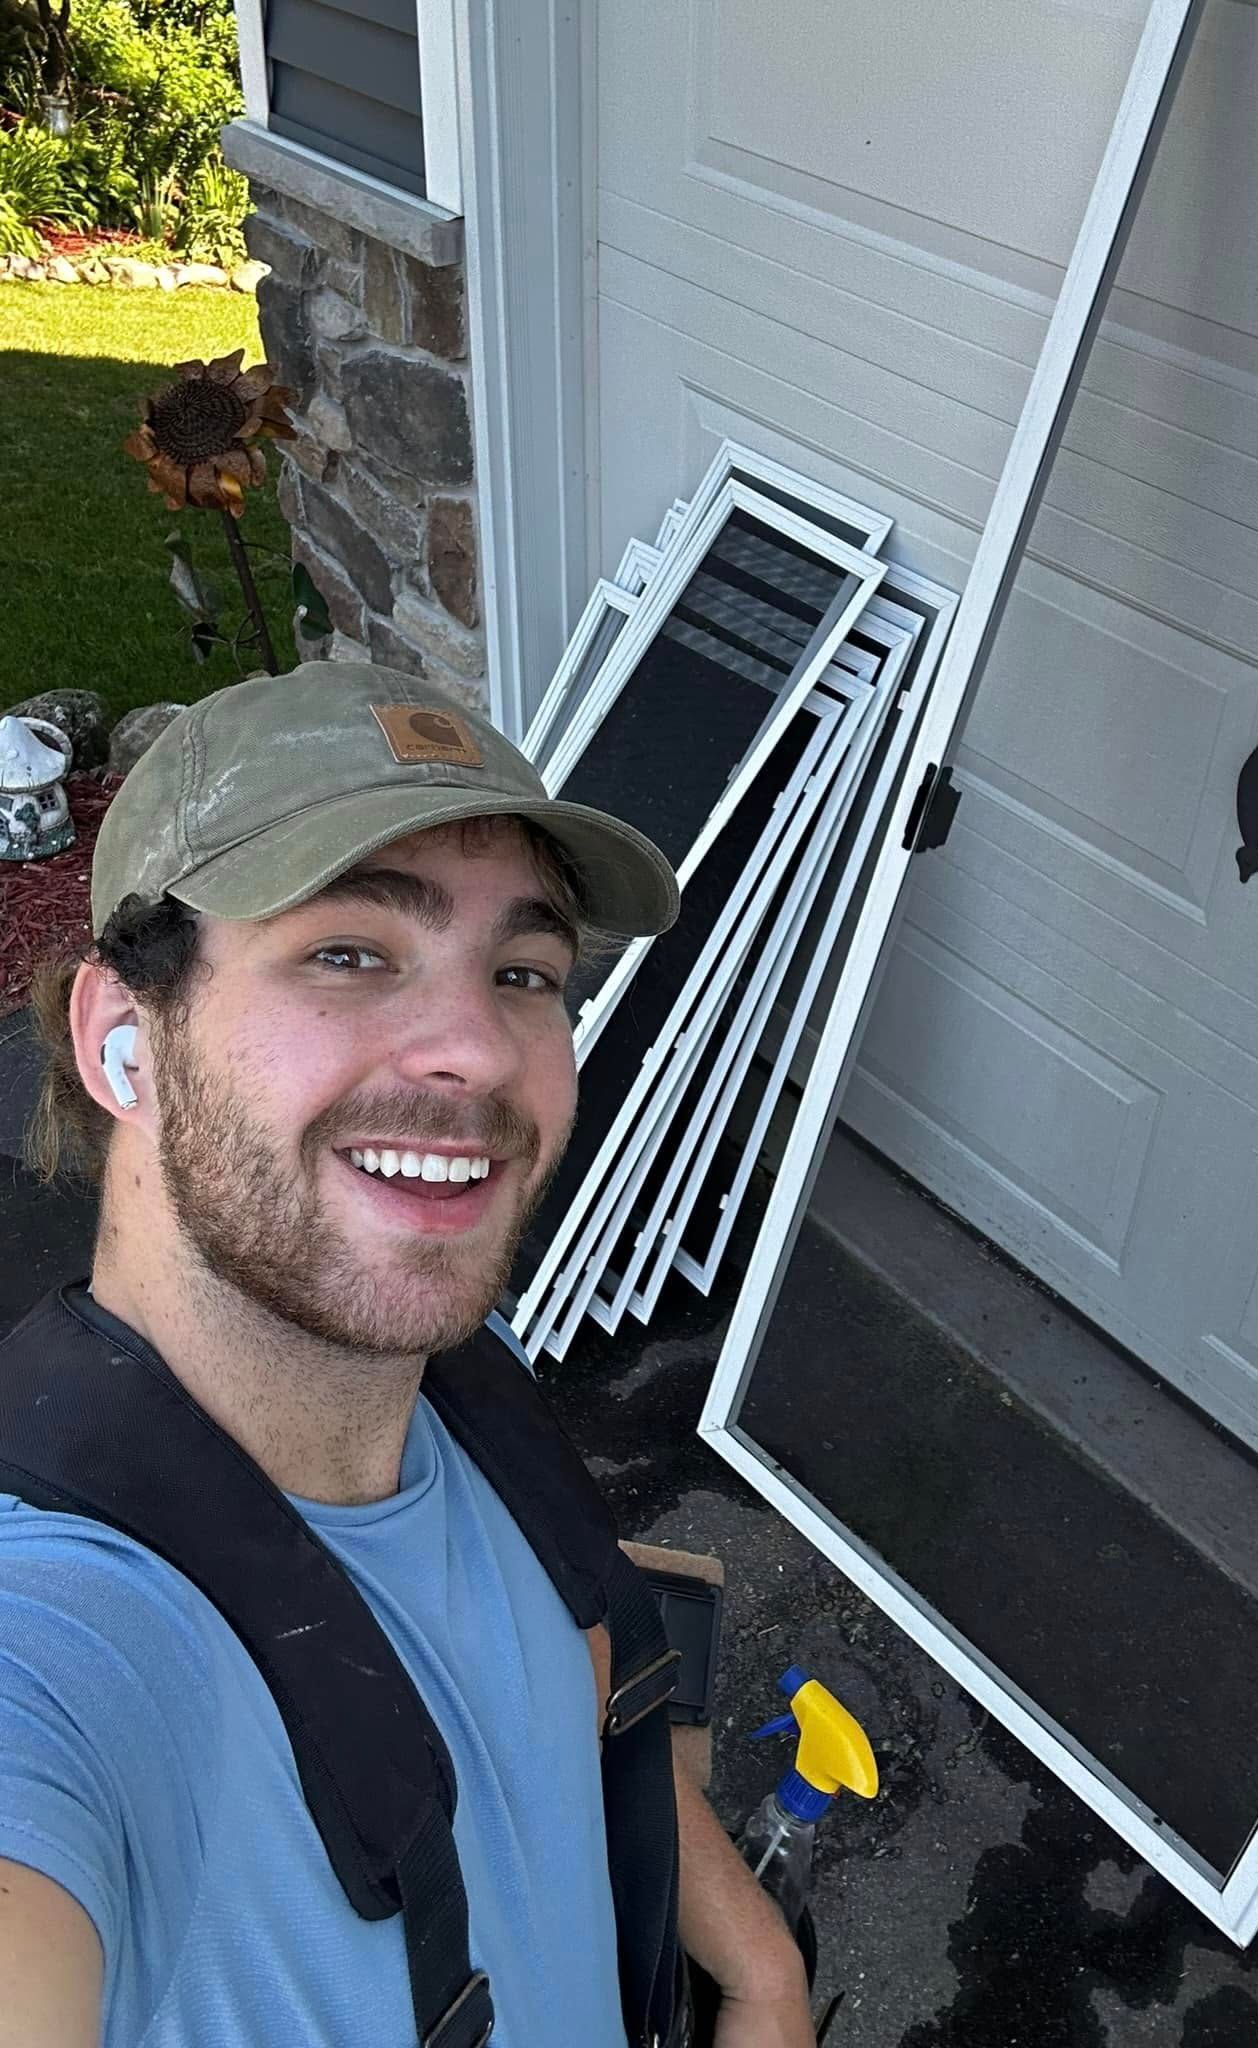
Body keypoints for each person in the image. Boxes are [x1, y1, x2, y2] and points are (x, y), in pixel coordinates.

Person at [0, 663, 815, 2047]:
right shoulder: (69, 1656)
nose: (477, 1051)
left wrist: (761, 1971)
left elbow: (564, 1690)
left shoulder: (459, 1384)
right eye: (351, 952)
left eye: (524, 972)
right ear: (124, 1040)